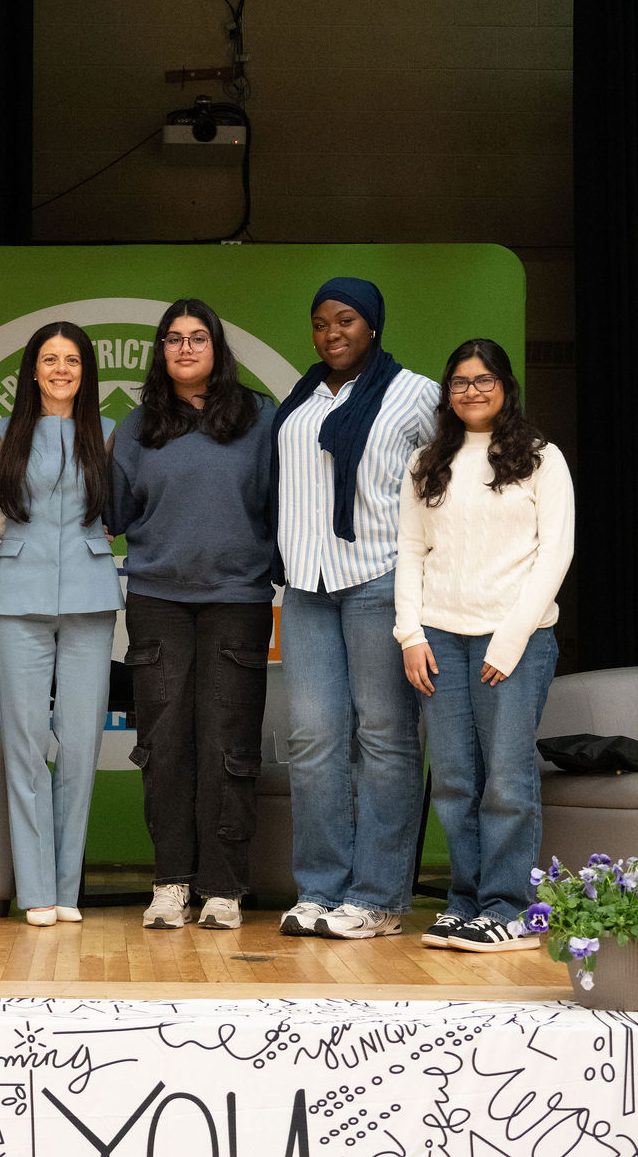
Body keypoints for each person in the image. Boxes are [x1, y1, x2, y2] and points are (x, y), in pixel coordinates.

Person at [274, 277, 439, 941]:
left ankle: (377, 898)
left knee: (385, 740)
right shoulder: (303, 395)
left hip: (379, 581)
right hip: (306, 587)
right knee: (314, 741)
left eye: (345, 320)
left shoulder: (416, 394)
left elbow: (452, 474)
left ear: (373, 325)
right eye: (320, 322)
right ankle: (320, 890)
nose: (332, 333)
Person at [395, 338, 574, 951]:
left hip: (513, 639)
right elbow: (411, 552)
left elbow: (557, 552)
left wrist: (512, 637)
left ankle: (510, 907)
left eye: (484, 379)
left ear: (506, 386)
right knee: (450, 778)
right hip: (440, 636)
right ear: (448, 393)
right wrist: (410, 633)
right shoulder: (427, 462)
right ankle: (466, 901)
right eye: (460, 382)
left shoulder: (540, 458)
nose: (472, 390)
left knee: (507, 778)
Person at [105, 299, 275, 931]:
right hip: (158, 602)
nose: (183, 348)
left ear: (217, 346)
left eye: (196, 337)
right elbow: (115, 514)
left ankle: (225, 888)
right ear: (161, 350)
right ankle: (171, 883)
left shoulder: (261, 417)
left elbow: (283, 502)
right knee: (164, 743)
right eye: (172, 339)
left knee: (230, 744)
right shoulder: (137, 425)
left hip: (238, 599)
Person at [0, 323, 123, 926]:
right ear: (32, 370)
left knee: (80, 746)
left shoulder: (113, 434)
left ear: (86, 371)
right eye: (50, 359)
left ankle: (67, 891)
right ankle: (35, 890)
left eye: (72, 360)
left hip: (91, 597)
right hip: (18, 597)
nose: (62, 369)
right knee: (24, 746)